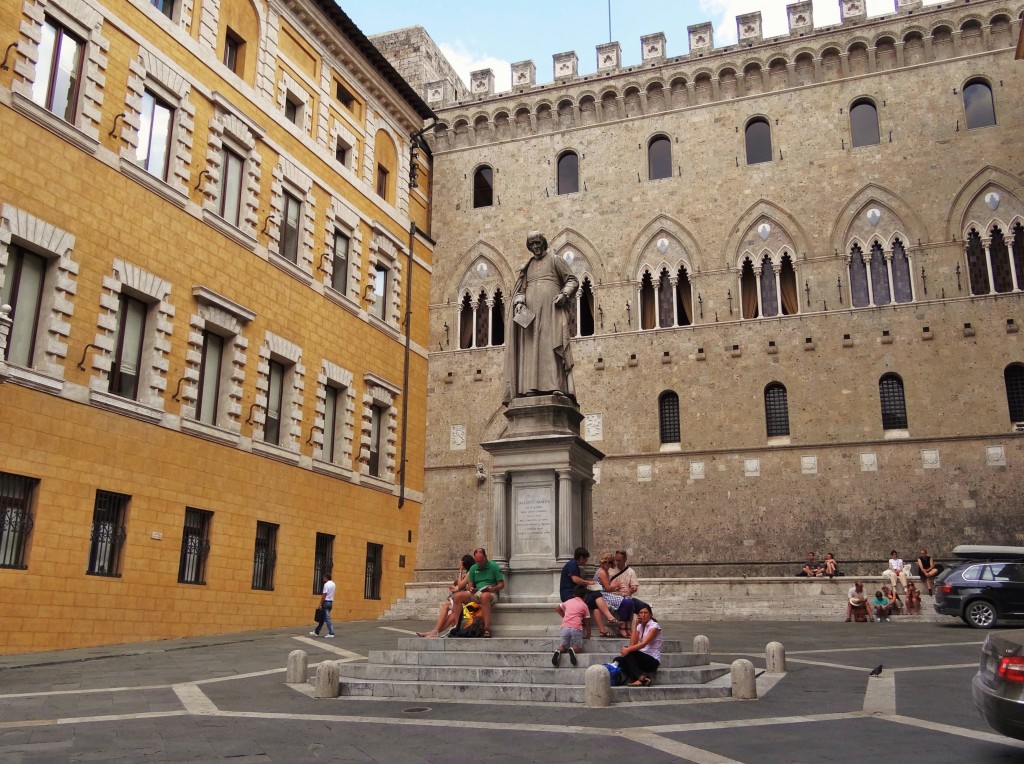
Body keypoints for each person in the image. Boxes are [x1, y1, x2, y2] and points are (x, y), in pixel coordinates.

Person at [502, 231, 579, 405]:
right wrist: (519, 302)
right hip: (530, 318)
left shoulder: (555, 260)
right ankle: (530, 387)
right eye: (532, 244)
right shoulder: (527, 267)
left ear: (543, 243)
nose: (535, 247)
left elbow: (572, 280)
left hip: (551, 311)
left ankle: (556, 386)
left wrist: (564, 294)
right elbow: (520, 290)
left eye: (538, 243)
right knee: (531, 350)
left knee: (552, 345)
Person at [559, 547, 615, 638]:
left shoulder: (573, 564)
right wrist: (587, 582)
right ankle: (609, 617)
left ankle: (602, 630)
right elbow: (575, 579)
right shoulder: (572, 565)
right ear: (581, 557)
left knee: (596, 604)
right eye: (585, 559)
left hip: (573, 594)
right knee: (597, 594)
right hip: (570, 595)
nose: (586, 562)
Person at [451, 548, 504, 638]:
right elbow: (469, 586)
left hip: (491, 593)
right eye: (477, 561)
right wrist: (471, 589)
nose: (479, 564)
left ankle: (486, 628)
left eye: (481, 561)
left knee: (484, 596)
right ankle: (458, 626)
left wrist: (492, 589)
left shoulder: (494, 566)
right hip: (477, 592)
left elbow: (501, 585)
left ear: (485, 557)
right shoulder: (473, 568)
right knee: (457, 596)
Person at [417, 554, 474, 638]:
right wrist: (456, 588)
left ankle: (435, 632)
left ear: (464, 563)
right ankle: (434, 632)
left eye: (461, 564)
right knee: (452, 616)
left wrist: (460, 570)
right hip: (464, 598)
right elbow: (460, 586)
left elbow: (460, 585)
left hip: (467, 599)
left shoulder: (470, 572)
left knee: (446, 605)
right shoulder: (470, 572)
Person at [615, 604, 662, 686]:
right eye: (641, 613)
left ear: (651, 615)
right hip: (641, 657)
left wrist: (627, 649)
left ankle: (639, 678)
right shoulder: (639, 626)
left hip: (652, 660)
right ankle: (643, 679)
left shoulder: (655, 626)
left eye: (645, 613)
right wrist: (635, 625)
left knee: (629, 652)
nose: (643, 615)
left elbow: (643, 644)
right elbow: (633, 644)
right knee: (618, 660)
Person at [553, 585, 589, 666]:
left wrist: (565, 617)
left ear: (574, 594)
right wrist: (588, 634)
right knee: (578, 647)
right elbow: (587, 621)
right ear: (585, 596)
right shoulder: (584, 605)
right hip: (576, 628)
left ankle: (558, 651)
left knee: (563, 646)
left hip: (565, 627)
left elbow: (558, 608)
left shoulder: (568, 601)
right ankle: (572, 649)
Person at [596, 553, 629, 638]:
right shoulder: (601, 572)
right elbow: (607, 588)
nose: (607, 564)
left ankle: (625, 626)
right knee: (623, 601)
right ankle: (621, 626)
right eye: (605, 562)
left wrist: (617, 589)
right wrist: (616, 585)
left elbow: (608, 589)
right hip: (600, 594)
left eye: (610, 562)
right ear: (602, 562)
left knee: (626, 600)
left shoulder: (606, 572)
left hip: (605, 593)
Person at [310, 571, 335, 638]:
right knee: (322, 618)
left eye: (323, 578)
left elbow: (324, 594)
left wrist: (321, 603)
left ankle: (331, 632)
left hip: (326, 602)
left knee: (327, 618)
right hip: (330, 602)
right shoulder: (333, 584)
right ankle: (316, 632)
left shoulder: (326, 585)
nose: (323, 579)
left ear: (326, 577)